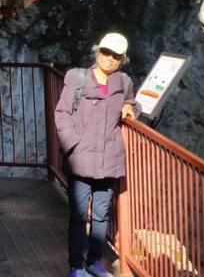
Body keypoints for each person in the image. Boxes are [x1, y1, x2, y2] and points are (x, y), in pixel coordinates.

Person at [55, 32, 141, 277]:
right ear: (98, 51)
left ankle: (94, 261)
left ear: (122, 59)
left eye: (116, 55)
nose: (110, 58)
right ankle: (76, 266)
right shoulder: (77, 77)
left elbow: (133, 102)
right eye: (106, 52)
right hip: (81, 160)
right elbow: (61, 114)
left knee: (102, 216)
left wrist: (132, 106)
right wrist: (73, 146)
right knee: (79, 216)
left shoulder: (123, 82)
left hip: (109, 160)